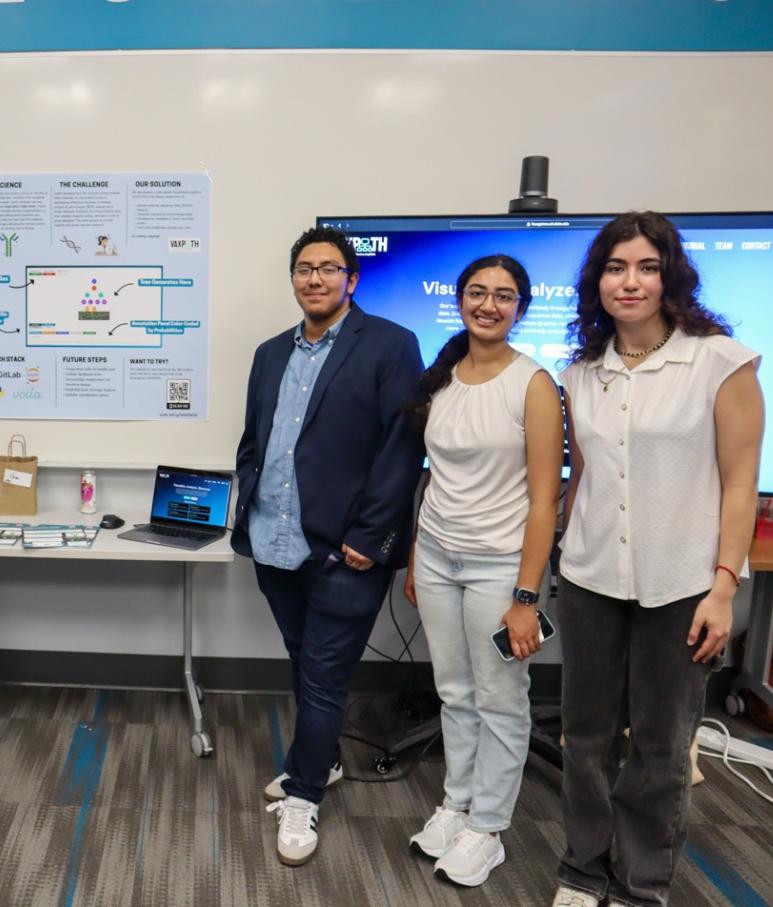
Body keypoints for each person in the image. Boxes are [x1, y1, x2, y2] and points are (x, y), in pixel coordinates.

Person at [552, 212, 764, 907]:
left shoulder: (720, 360)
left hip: (681, 584)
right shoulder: (582, 372)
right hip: (590, 579)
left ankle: (641, 884)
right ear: (598, 281)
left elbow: (740, 483)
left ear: (670, 274)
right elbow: (584, 478)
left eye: (646, 266)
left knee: (660, 744)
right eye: (616, 267)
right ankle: (583, 868)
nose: (631, 281)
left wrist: (724, 586)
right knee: (584, 737)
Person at [233, 225, 424, 865]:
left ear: (352, 279)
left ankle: (305, 792)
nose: (315, 279)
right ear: (293, 279)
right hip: (275, 541)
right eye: (304, 269)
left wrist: (371, 538)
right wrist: (248, 502)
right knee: (303, 660)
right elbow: (255, 440)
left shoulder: (391, 346)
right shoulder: (269, 353)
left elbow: (402, 451)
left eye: (328, 268)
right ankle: (325, 760)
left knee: (322, 679)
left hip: (347, 552)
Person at [402, 255, 563, 886]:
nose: (488, 304)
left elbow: (545, 500)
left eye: (503, 296)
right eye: (477, 292)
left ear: (520, 307)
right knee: (455, 691)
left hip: (502, 566)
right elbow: (434, 480)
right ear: (460, 300)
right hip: (439, 556)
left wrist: (527, 595)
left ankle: (488, 828)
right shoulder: (442, 378)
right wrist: (418, 555)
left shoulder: (534, 384)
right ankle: (457, 803)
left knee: (500, 698)